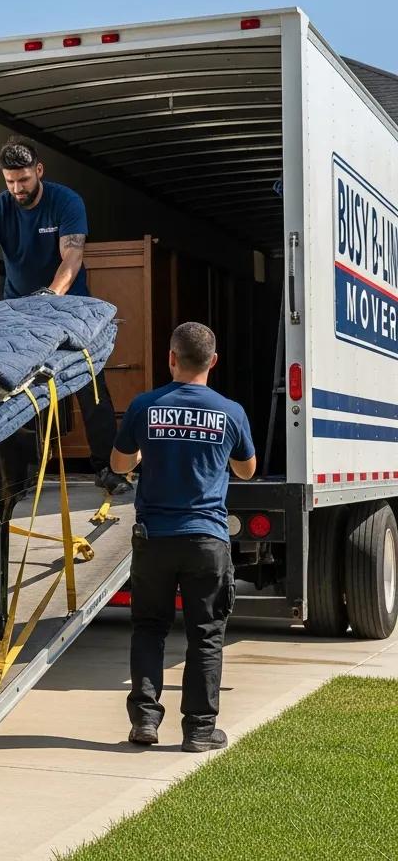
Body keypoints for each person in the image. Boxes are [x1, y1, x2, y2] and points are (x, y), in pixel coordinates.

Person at [109, 322, 256, 753]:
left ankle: (145, 723)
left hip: (154, 539)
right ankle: (199, 730)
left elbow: (119, 465)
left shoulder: (145, 406)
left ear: (171, 357)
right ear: (213, 362)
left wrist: (142, 451)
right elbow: (246, 469)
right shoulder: (231, 412)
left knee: (149, 628)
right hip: (207, 540)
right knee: (206, 633)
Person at [0, 135, 129, 495]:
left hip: (69, 307)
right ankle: (19, 478)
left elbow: (72, 257)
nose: (18, 189)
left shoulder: (65, 202)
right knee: (17, 392)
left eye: (23, 180)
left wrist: (52, 295)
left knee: (90, 386)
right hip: (19, 313)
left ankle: (108, 469)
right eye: (10, 182)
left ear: (39, 170)